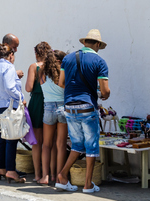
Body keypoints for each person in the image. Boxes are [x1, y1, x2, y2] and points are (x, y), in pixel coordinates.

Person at [55, 29, 110, 193]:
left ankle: (63, 176)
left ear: (84, 42)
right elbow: (105, 91)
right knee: (91, 147)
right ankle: (87, 185)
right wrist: (104, 94)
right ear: (98, 45)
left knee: (77, 145)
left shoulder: (67, 58)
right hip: (87, 107)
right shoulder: (100, 61)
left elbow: (61, 83)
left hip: (70, 107)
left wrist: (75, 91)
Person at [0, 42, 25, 183]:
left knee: (1, 137)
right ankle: (11, 170)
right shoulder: (9, 67)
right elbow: (10, 87)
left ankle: (1, 168)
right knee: (11, 138)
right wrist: (20, 97)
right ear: (11, 55)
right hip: (9, 105)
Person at [39, 49, 66, 186]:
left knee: (47, 144)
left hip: (48, 107)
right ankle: (59, 175)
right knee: (61, 145)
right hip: (63, 108)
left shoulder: (42, 73)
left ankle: (45, 176)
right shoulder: (63, 74)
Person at [25, 41, 50, 182]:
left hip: (37, 103)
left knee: (36, 143)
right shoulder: (52, 66)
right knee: (50, 142)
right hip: (51, 102)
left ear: (36, 53)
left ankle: (37, 175)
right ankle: (51, 174)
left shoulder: (34, 67)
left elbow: (28, 88)